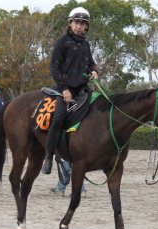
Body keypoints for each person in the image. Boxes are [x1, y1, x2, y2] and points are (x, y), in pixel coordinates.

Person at [41, 7, 98, 174]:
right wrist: (64, 89)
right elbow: (54, 67)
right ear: (70, 23)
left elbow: (91, 63)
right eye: (77, 22)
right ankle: (49, 156)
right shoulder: (62, 42)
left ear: (86, 26)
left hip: (82, 89)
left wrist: (94, 70)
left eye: (83, 23)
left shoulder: (86, 44)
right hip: (63, 89)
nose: (79, 26)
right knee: (58, 118)